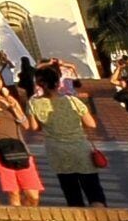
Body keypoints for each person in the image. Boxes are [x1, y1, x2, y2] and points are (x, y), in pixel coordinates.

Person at [0, 66, 43, 207]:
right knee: (13, 193)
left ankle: (28, 216)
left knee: (33, 195)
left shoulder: (9, 99)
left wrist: (14, 108)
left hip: (19, 148)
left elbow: (25, 125)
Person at [39, 65, 104, 206]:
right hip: (80, 148)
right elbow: (91, 124)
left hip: (57, 152)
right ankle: (101, 216)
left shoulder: (34, 103)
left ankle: (80, 219)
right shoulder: (73, 100)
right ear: (58, 83)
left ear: (39, 84)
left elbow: (32, 126)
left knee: (71, 191)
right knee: (93, 190)